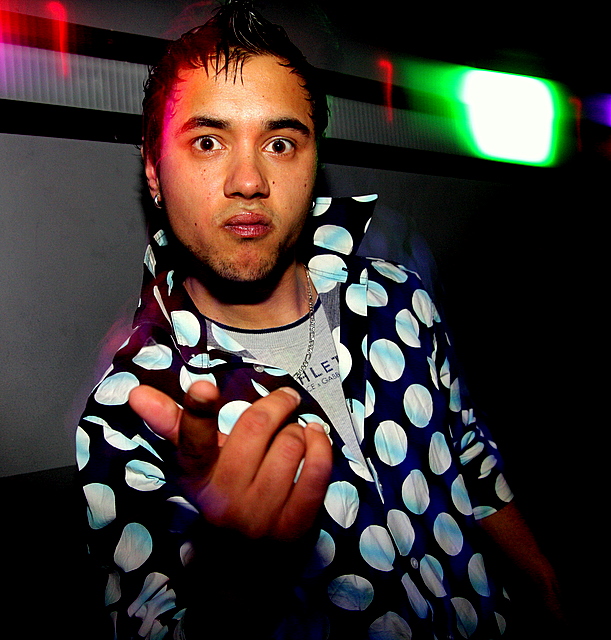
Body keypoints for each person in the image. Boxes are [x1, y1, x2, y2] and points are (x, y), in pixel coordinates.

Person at [77, 1, 562, 638]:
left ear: (314, 163)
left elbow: (470, 456)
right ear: (153, 170)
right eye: (208, 142)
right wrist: (234, 573)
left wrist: (544, 582)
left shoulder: (397, 297)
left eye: (279, 144)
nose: (249, 181)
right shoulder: (129, 410)